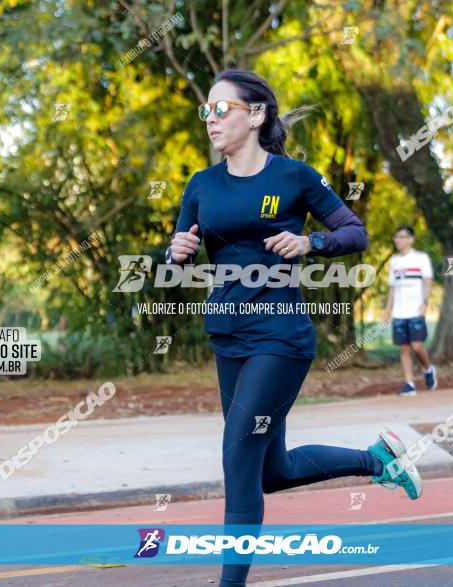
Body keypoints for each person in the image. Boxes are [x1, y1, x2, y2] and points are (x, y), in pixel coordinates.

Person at [166, 70, 423, 587]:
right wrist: (174, 254)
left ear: (255, 115)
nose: (211, 120)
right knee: (270, 470)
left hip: (280, 337)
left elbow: (355, 233)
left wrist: (311, 244)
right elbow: (174, 262)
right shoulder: (201, 185)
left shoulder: (295, 178)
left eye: (222, 109)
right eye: (207, 111)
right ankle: (376, 461)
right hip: (228, 337)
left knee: (238, 456)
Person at [383, 225, 438, 395]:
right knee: (404, 348)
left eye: (401, 237)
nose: (397, 240)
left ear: (411, 239)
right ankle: (410, 384)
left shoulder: (421, 258)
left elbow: (428, 282)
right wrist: (387, 309)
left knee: (416, 345)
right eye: (396, 237)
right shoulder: (394, 261)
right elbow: (392, 288)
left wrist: (425, 303)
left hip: (415, 309)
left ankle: (428, 369)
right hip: (399, 312)